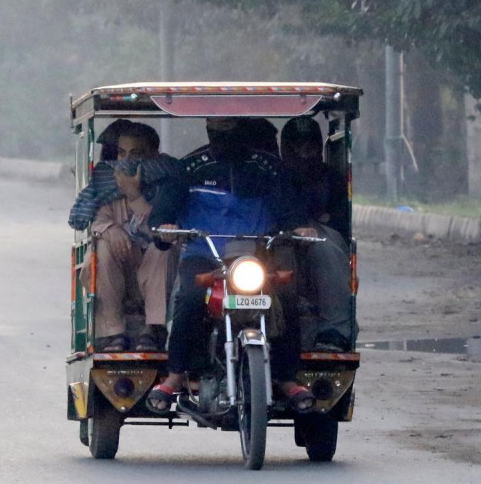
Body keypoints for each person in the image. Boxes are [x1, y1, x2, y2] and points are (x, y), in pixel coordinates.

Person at [146, 117, 312, 413]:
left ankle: (287, 378)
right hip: (204, 254)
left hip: (255, 256)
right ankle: (175, 374)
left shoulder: (269, 169)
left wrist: (298, 228)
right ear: (209, 132)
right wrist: (164, 227)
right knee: (190, 299)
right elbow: (160, 216)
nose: (224, 139)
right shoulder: (189, 168)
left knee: (285, 298)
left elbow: (290, 212)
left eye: (231, 131)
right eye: (217, 132)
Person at [84, 123, 185, 352]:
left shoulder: (166, 185)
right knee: (103, 247)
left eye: (136, 153)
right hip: (123, 272)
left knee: (162, 246)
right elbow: (97, 222)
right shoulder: (109, 184)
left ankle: (153, 328)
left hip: (158, 275)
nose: (127, 160)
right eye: (122, 153)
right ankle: (113, 332)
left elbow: (157, 227)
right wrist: (111, 230)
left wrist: (134, 195)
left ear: (152, 155)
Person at [279, 117, 356, 351]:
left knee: (324, 246)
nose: (304, 152)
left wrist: (311, 224)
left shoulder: (330, 178)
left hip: (317, 237)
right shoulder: (272, 174)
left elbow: (339, 218)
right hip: (274, 233)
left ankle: (334, 330)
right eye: (297, 146)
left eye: (310, 145)